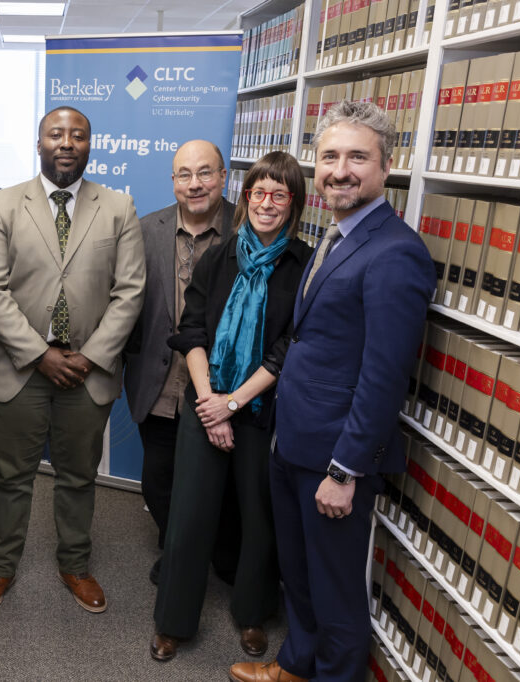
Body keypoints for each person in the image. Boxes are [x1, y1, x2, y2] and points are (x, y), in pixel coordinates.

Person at [229, 101, 434, 682]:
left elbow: (383, 377)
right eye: (329, 157)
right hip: (294, 443)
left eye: (357, 157)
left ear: (386, 167)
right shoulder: (338, 236)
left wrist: (344, 471)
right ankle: (295, 666)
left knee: (337, 589)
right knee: (299, 575)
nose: (341, 170)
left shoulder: (396, 253)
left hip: (332, 458)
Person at [0, 106, 145, 615]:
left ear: (90, 145)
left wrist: (89, 357)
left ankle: (75, 563)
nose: (66, 142)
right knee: (11, 476)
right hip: (20, 370)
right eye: (56, 134)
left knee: (78, 476)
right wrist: (39, 353)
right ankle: (1, 567)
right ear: (39, 142)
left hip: (87, 372)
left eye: (78, 135)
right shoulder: (0, 205)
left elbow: (130, 292)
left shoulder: (118, 207)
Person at [150, 152, 312, 663]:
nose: (266, 203)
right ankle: (173, 621)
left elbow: (289, 346)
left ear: (293, 204)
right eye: (258, 192)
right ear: (245, 197)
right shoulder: (220, 257)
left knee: (257, 516)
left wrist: (235, 403)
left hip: (262, 412)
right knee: (189, 516)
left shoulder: (303, 266)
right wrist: (209, 401)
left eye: (279, 195)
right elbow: (192, 329)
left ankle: (252, 615)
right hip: (208, 400)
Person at [123, 139, 241, 586]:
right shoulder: (145, 229)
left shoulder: (247, 227)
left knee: (224, 484)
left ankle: (221, 558)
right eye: (185, 175)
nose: (195, 184)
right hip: (159, 379)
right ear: (172, 181)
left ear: (224, 176)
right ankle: (176, 549)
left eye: (205, 173)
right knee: (160, 478)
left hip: (225, 385)